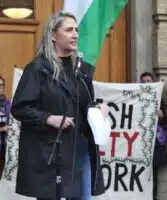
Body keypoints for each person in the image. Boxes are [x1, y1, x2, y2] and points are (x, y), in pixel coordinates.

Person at [11, 12, 109, 200]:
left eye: (77, 30)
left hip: (80, 150)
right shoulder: (38, 69)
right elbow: (20, 108)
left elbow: (84, 105)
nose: (75, 34)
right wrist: (48, 118)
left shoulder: (82, 70)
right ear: (53, 36)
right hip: (50, 152)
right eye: (69, 30)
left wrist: (97, 108)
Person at [140, 72, 167, 200]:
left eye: (148, 81)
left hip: (154, 145)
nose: (146, 83)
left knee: (153, 176)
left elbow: (166, 124)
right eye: (143, 81)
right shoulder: (135, 98)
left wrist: (162, 116)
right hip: (138, 144)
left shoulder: (158, 99)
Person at [0, 75, 10, 178]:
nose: (0, 87)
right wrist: (2, 129)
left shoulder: (8, 104)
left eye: (2, 85)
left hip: (5, 146)